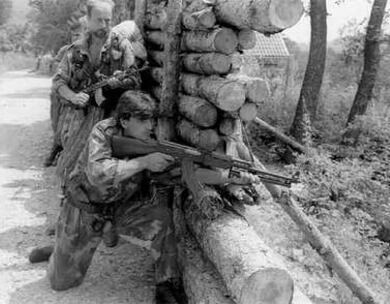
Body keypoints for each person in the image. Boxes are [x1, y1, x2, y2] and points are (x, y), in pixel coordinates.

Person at [34, 90, 258, 303]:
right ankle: (59, 249)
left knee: (162, 220)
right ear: (124, 121)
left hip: (121, 208)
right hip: (84, 210)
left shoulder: (149, 142)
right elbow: (98, 173)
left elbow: (184, 174)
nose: (150, 126)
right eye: (144, 121)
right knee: (61, 282)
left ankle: (166, 284)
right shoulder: (103, 133)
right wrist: (143, 162)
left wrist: (228, 177)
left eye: (152, 120)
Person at [52, 0, 140, 178]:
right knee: (73, 167)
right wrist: (73, 97)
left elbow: (135, 79)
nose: (104, 25)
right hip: (80, 116)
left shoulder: (121, 46)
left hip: (111, 115)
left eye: (108, 20)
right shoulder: (75, 50)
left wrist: (118, 83)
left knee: (105, 169)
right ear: (88, 20)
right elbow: (59, 82)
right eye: (99, 20)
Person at [44, 18, 88, 167]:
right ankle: (56, 147)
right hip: (63, 93)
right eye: (73, 35)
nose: (75, 38)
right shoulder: (66, 50)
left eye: (78, 34)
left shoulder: (87, 50)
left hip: (79, 94)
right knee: (57, 121)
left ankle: (66, 150)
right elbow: (57, 71)